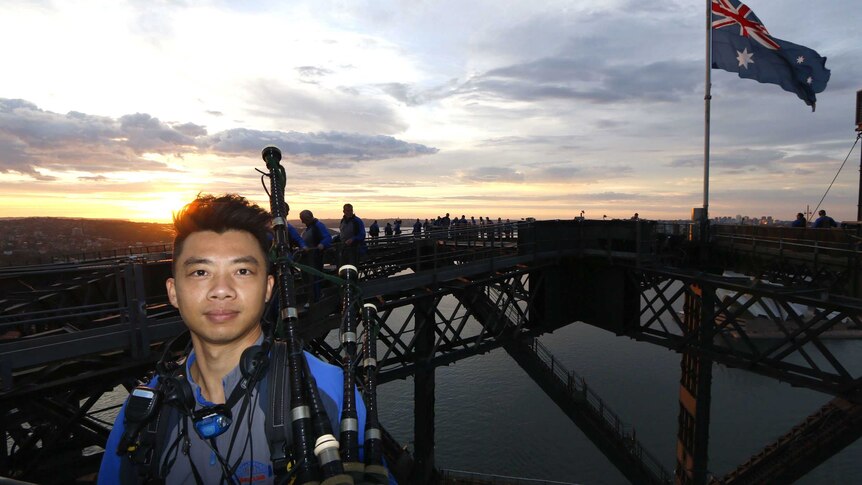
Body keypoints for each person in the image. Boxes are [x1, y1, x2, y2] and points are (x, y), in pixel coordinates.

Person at [97, 194, 377, 484]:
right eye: (200, 272)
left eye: (242, 271)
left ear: (269, 288)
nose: (221, 290)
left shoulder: (329, 390)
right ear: (173, 292)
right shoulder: (140, 415)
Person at [300, 209, 332, 303]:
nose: (302, 221)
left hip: (315, 257)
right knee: (307, 278)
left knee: (315, 277)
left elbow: (327, 237)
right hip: (307, 259)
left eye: (303, 219)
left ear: (308, 218)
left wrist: (322, 244)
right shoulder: (308, 227)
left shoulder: (318, 226)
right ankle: (311, 297)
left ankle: (316, 298)